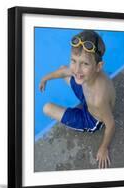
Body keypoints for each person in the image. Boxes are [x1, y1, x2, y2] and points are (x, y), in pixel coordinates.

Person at [39, 30, 116, 169]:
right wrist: (45, 78)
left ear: (99, 66)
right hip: (87, 94)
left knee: (47, 108)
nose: (77, 69)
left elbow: (110, 125)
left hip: (91, 119)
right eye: (73, 61)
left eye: (85, 64)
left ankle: (81, 122)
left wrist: (104, 148)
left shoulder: (98, 98)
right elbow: (64, 71)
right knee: (64, 69)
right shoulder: (89, 74)